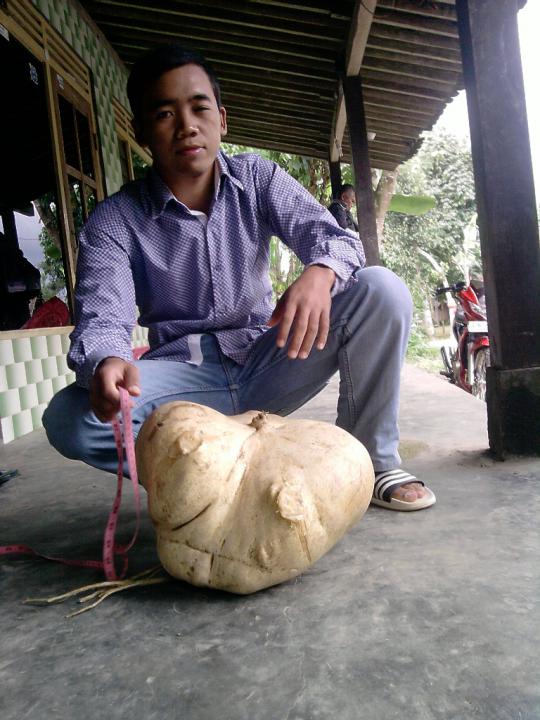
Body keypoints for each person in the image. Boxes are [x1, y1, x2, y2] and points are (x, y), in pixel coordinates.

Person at [43, 44, 435, 512]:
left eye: (198, 107)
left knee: (382, 290)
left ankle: (369, 460)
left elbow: (338, 241)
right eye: (165, 113)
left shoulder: (259, 179)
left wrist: (320, 272)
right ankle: (210, 475)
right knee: (71, 419)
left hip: (269, 359)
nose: (187, 125)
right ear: (142, 132)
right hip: (183, 381)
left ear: (222, 120)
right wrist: (107, 361)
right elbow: (103, 311)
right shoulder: (115, 220)